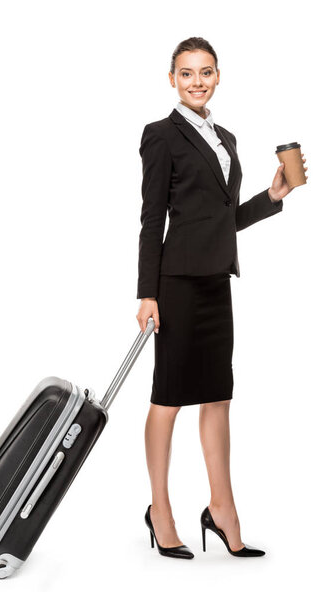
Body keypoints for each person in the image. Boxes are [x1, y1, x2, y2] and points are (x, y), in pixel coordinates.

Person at [136, 37, 308, 560]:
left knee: (218, 396)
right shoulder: (161, 136)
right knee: (168, 398)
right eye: (186, 74)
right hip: (176, 285)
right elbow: (152, 221)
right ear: (171, 79)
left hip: (215, 282)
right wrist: (146, 292)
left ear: (218, 76)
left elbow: (221, 224)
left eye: (205, 72)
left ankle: (222, 508)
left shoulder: (226, 137)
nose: (196, 81)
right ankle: (159, 510)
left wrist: (272, 197)